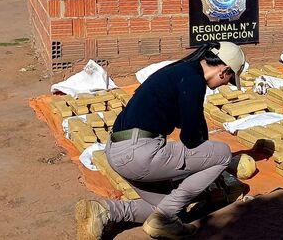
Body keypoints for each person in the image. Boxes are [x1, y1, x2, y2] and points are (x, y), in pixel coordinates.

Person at [75, 41, 246, 239]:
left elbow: (191, 122)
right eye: (229, 79)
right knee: (223, 153)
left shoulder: (180, 71)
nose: (225, 85)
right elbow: (190, 138)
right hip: (139, 153)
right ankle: (162, 218)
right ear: (224, 70)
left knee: (172, 208)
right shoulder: (194, 81)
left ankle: (105, 211)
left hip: (116, 151)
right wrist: (205, 164)